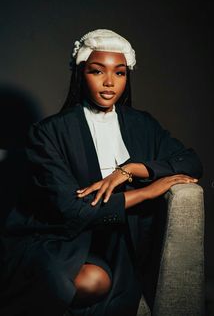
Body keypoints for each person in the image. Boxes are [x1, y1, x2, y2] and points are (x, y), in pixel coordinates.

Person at [0, 29, 203, 316]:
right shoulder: (49, 132)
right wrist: (147, 191)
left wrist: (131, 170)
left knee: (107, 287)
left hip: (121, 241)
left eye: (119, 73)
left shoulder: (141, 124)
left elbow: (191, 161)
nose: (110, 83)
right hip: (63, 238)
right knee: (86, 283)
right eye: (98, 71)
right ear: (81, 73)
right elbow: (72, 210)